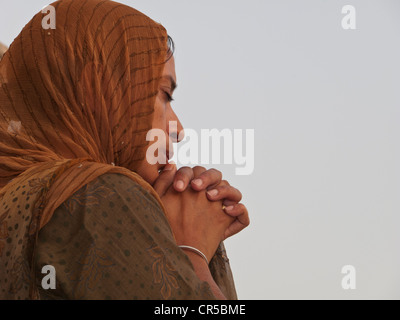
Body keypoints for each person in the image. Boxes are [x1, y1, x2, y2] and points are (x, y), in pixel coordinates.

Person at [0, 0, 249, 300]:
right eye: (164, 94)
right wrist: (190, 251)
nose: (178, 128)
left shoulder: (18, 199)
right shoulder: (98, 194)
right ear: (95, 88)